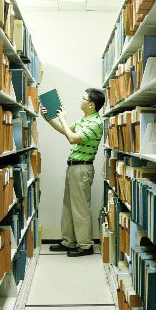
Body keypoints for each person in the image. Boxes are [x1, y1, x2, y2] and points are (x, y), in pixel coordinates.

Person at [40, 88, 105, 257]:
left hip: (82, 168)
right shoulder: (85, 119)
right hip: (74, 167)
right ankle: (68, 242)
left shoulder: (95, 123)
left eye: (83, 98)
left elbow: (72, 138)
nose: (80, 100)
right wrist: (48, 119)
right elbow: (66, 130)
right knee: (68, 206)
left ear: (91, 104)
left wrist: (62, 119)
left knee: (81, 208)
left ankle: (85, 245)